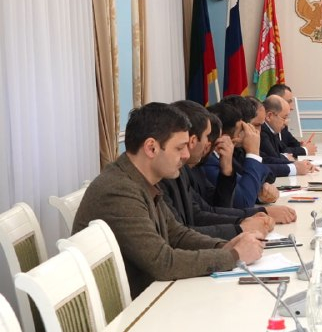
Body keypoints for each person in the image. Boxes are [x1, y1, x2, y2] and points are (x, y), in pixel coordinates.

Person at [73, 103, 264, 298]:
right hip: (133, 308)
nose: (186, 155)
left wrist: (224, 246)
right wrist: (234, 255)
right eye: (179, 148)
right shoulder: (119, 190)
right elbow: (162, 262)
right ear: (151, 148)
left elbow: (176, 234)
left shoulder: (140, 180)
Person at [161, 100, 276, 239]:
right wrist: (241, 227)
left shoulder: (184, 169)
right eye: (180, 146)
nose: (209, 144)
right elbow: (179, 235)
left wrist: (226, 172)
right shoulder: (192, 167)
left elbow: (204, 211)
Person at [203, 102, 277, 209]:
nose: (250, 133)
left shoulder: (225, 155)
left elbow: (268, 175)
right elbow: (244, 202)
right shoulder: (208, 163)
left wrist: (260, 193)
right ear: (225, 138)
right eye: (242, 130)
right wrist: (253, 152)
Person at [258, 95, 317, 177]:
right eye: (284, 117)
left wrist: (296, 164)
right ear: (269, 116)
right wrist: (295, 166)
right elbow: (271, 159)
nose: (286, 122)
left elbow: (280, 152)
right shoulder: (262, 131)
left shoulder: (272, 130)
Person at [266, 84, 317, 156]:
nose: (292, 107)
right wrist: (305, 150)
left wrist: (301, 145)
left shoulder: (281, 124)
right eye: (289, 102)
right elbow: (278, 152)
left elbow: (290, 145)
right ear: (276, 101)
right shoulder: (264, 127)